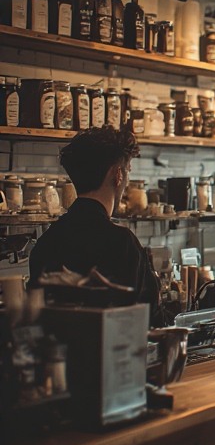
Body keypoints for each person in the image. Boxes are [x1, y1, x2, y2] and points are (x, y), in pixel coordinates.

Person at [29, 127, 164, 328]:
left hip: (58, 358)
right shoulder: (122, 243)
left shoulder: (46, 243)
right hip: (114, 357)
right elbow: (151, 322)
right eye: (127, 172)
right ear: (118, 175)